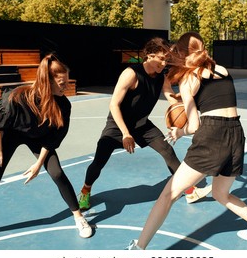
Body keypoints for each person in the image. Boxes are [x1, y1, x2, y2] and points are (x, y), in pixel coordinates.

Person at [127, 32, 247, 250]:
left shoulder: (188, 79)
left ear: (182, 54)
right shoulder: (222, 70)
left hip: (212, 136)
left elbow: (195, 125)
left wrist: (179, 132)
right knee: (220, 193)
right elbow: (215, 99)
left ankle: (138, 250)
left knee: (168, 194)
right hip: (236, 134)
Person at [0, 54, 92, 239]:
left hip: (39, 138)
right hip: (10, 135)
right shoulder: (18, 97)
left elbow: (53, 138)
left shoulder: (63, 105)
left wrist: (38, 165)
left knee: (56, 173)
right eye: (62, 82)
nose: (67, 86)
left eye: (67, 81)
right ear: (47, 81)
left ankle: (79, 217)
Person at [78, 37, 212, 210]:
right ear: (149, 55)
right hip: (117, 126)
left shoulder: (160, 77)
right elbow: (114, 104)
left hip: (142, 125)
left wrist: (182, 106)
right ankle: (85, 190)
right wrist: (126, 133)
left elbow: (169, 94)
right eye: (161, 59)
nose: (164, 63)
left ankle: (189, 191)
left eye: (166, 60)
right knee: (99, 162)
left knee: (167, 151)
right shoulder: (131, 74)